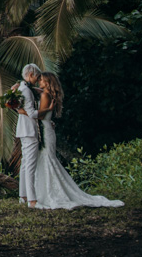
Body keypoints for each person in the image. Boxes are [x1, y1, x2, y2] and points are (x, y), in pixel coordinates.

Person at [31, 72, 124, 210]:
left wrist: (26, 111)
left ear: (48, 82)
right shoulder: (48, 94)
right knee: (47, 159)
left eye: (42, 80)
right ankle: (44, 192)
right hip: (48, 128)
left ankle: (48, 193)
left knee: (47, 159)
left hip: (45, 129)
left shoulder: (45, 95)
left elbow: (40, 115)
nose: (39, 82)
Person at [11, 63, 43, 208]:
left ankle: (23, 195)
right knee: (30, 165)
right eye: (36, 77)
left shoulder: (22, 88)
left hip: (23, 131)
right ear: (30, 75)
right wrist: (46, 113)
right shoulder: (26, 91)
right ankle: (32, 200)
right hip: (29, 131)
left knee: (25, 164)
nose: (37, 80)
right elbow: (32, 114)